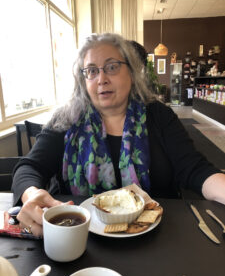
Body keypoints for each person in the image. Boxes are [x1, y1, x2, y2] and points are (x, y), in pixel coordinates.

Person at [12, 33, 225, 237]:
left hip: (157, 238)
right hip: (78, 237)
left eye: (112, 67)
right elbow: (29, 167)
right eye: (92, 71)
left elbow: (196, 170)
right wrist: (31, 195)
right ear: (83, 80)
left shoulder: (158, 115)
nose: (101, 79)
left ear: (131, 72)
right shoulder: (66, 118)